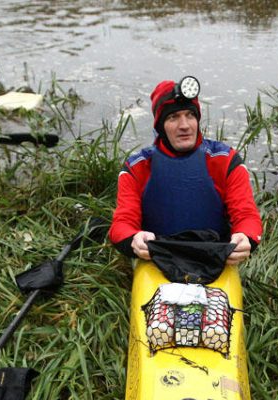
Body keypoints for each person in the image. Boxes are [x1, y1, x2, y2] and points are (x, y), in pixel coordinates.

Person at [109, 77, 262, 265]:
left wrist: (245, 236)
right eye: (173, 117)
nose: (185, 125)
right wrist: (134, 239)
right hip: (156, 258)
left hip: (215, 257)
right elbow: (122, 224)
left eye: (190, 115)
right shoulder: (137, 168)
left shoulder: (226, 161)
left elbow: (246, 216)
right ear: (160, 127)